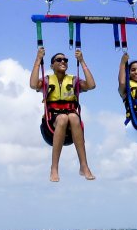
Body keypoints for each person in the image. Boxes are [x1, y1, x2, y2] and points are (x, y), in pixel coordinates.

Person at [30, 47, 96, 182]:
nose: (63, 61)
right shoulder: (47, 81)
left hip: (72, 130)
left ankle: (84, 166)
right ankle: (54, 168)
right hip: (50, 127)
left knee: (71, 116)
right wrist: (38, 59)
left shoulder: (73, 80)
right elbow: (32, 84)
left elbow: (91, 85)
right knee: (63, 118)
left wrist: (82, 61)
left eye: (65, 60)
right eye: (59, 59)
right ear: (51, 65)